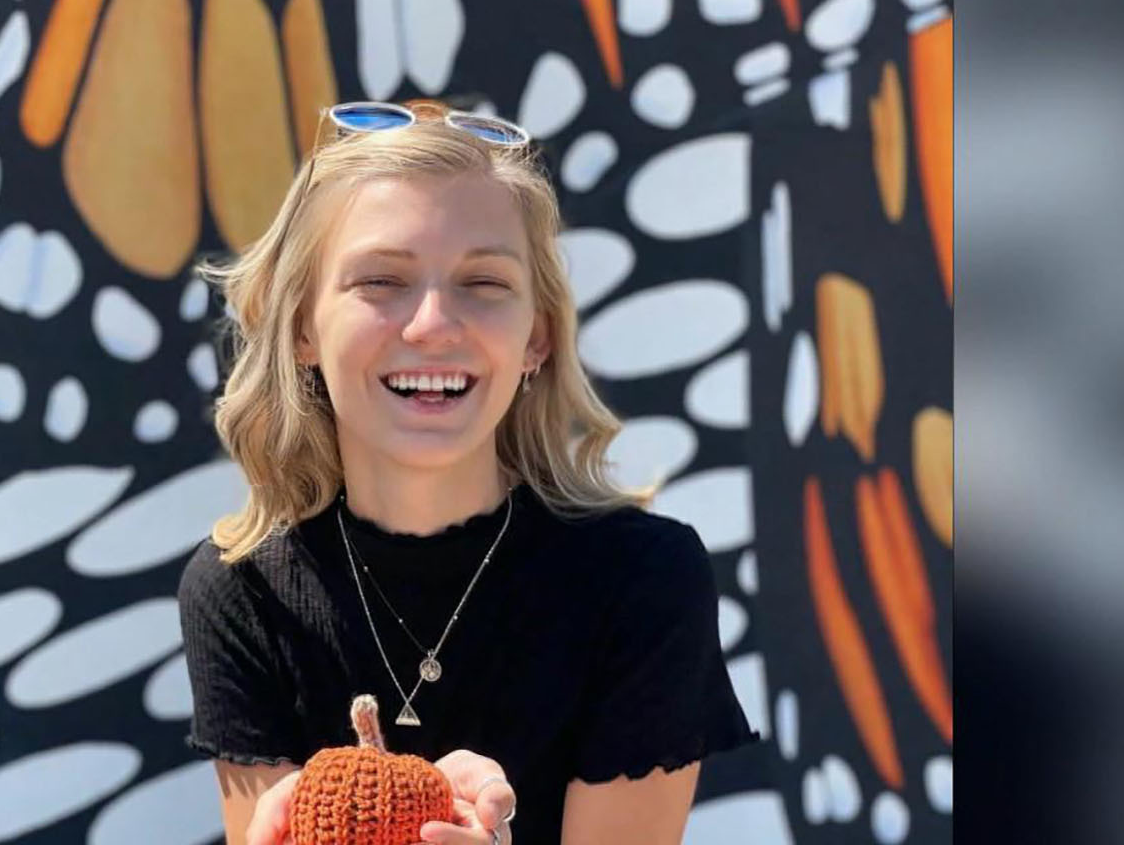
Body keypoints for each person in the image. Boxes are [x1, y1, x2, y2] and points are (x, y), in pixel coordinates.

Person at [179, 100, 756, 844]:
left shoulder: (645, 579)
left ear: (537, 337)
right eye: (381, 281)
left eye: (483, 283)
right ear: (301, 328)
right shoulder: (241, 593)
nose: (433, 325)